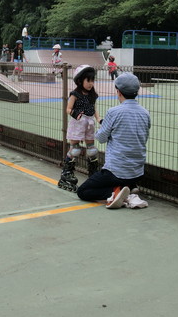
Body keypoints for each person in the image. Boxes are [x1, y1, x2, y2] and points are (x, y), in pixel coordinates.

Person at [77, 72, 151, 209]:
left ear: (118, 92)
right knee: (121, 179)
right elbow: (144, 137)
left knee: (83, 191)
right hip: (137, 172)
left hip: (116, 171)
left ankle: (117, 193)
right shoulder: (145, 113)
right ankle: (129, 187)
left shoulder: (114, 112)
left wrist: (101, 128)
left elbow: (101, 138)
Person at [58, 65, 101, 192]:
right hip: (78, 123)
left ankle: (93, 174)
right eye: (88, 80)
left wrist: (99, 119)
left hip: (89, 124)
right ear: (80, 81)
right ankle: (66, 174)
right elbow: (68, 109)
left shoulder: (92, 95)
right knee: (75, 149)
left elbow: (94, 109)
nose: (91, 83)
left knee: (92, 150)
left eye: (92, 80)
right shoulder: (75, 94)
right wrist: (75, 114)